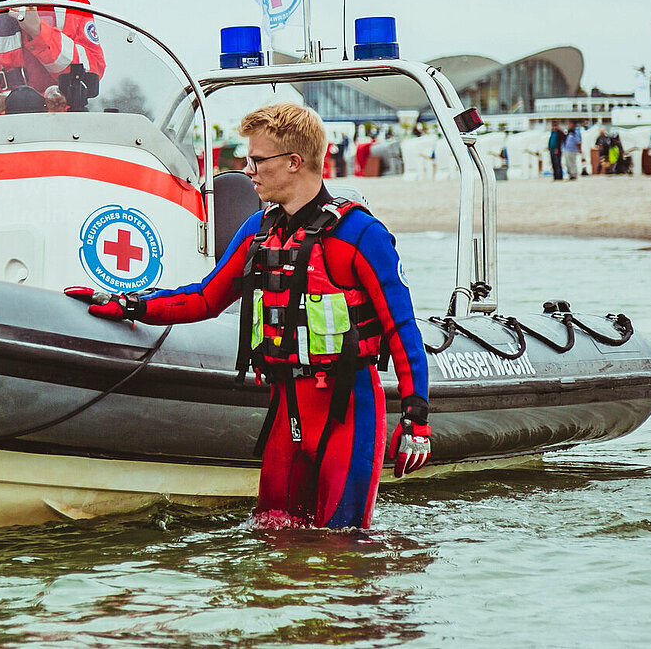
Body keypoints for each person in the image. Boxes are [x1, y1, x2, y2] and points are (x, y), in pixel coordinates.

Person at [65, 102, 431, 529]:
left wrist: (416, 421)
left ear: (294, 162)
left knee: (344, 546)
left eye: (257, 160)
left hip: (348, 411)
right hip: (286, 412)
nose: (247, 170)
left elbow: (401, 328)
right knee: (271, 535)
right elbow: (204, 298)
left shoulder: (361, 235)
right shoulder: (258, 231)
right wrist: (131, 304)